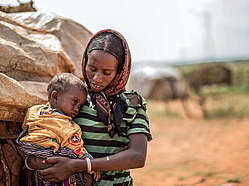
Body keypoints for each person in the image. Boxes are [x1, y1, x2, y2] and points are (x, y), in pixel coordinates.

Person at [22, 29, 152, 185]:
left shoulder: (132, 105)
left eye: (107, 72)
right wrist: (37, 162)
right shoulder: (74, 99)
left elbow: (137, 156)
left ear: (119, 72)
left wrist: (79, 165)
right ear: (84, 63)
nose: (97, 78)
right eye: (92, 69)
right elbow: (45, 134)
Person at [17, 73, 99, 186]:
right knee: (84, 176)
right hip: (52, 157)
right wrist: (89, 162)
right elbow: (76, 147)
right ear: (55, 96)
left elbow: (26, 127)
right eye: (75, 102)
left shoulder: (34, 111)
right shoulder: (67, 125)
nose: (77, 109)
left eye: (80, 106)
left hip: (31, 153)